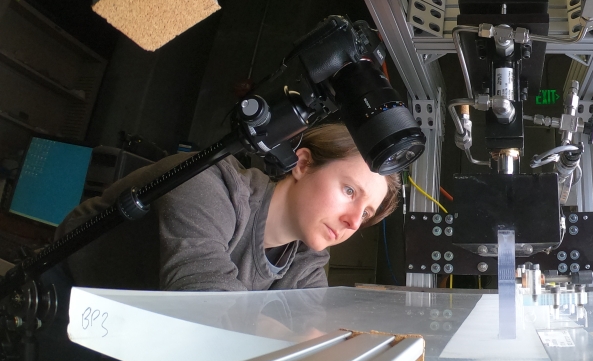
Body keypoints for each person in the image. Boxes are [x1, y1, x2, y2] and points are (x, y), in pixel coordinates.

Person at [57, 122, 401, 292]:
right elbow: (206, 301)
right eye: (349, 190)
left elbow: (316, 324)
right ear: (303, 164)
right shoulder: (208, 183)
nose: (354, 221)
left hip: (138, 318)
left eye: (367, 213)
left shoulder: (307, 260)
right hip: (69, 285)